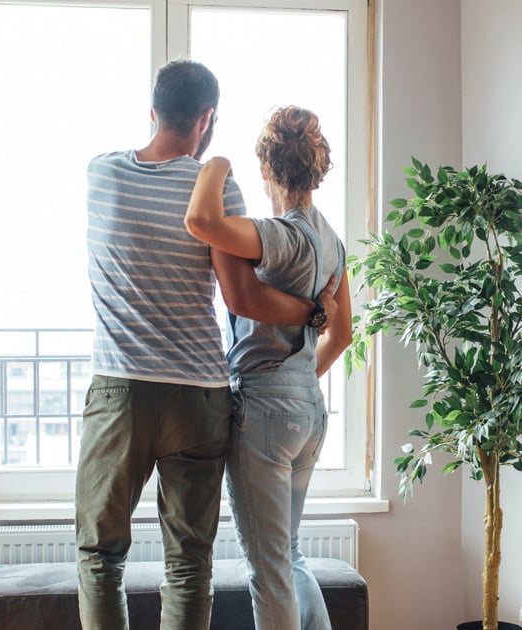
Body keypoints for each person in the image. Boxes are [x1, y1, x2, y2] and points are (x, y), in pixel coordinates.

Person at [77, 61, 337, 630]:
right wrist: (311, 312)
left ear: (153, 112)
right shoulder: (223, 193)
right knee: (191, 563)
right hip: (199, 394)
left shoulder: (101, 174)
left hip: (121, 389)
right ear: (207, 119)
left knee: (100, 556)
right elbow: (241, 295)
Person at [185, 106, 353, 630]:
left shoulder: (284, 234)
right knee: (290, 556)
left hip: (264, 410)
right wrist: (298, 380)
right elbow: (342, 333)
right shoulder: (332, 242)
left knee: (269, 570)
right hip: (308, 410)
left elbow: (204, 221)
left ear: (266, 169)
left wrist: (214, 163)